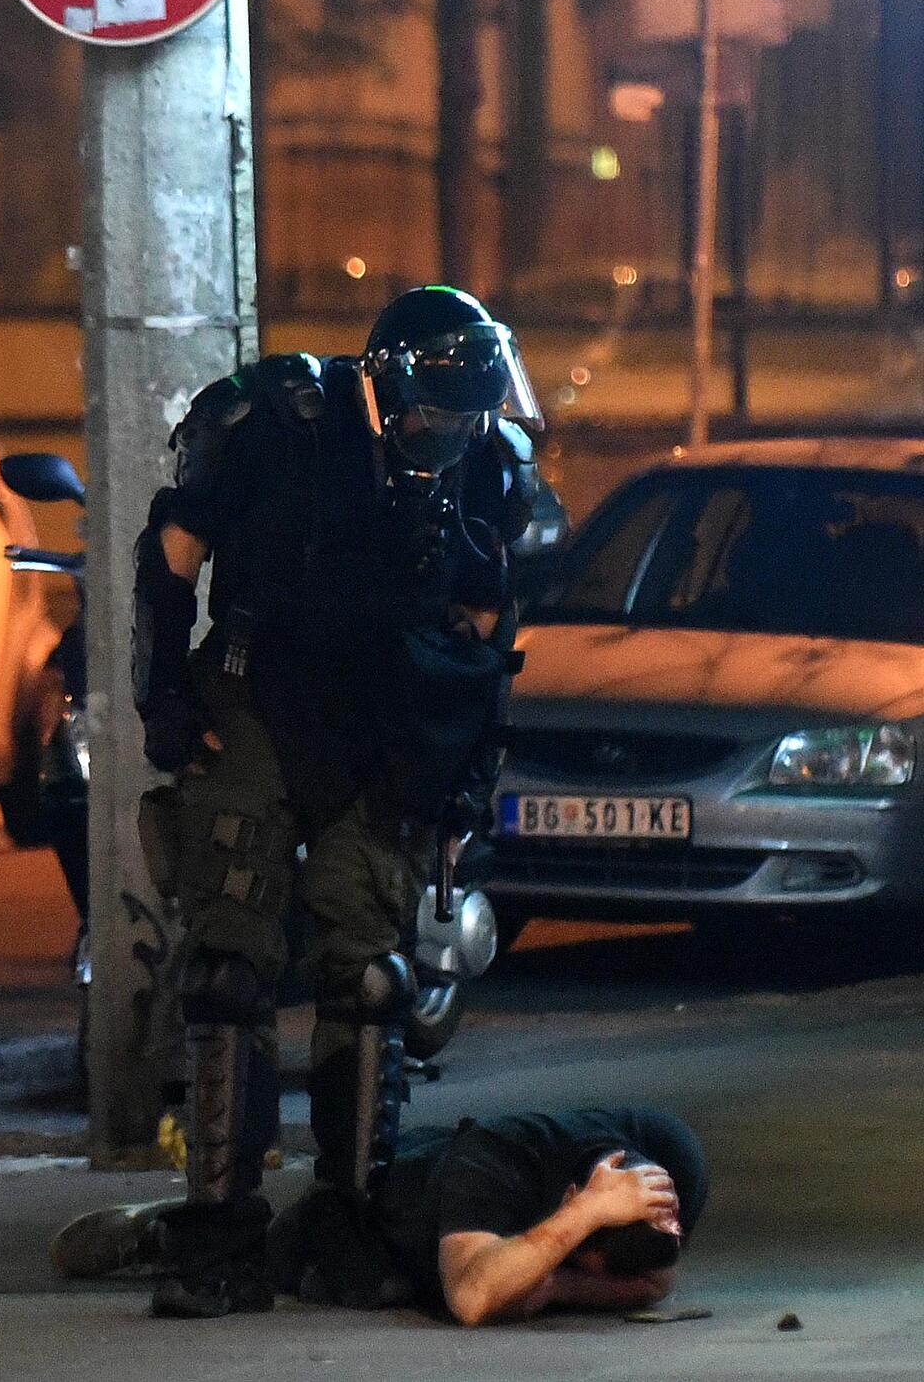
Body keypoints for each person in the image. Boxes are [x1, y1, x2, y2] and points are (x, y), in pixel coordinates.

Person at [130, 285, 544, 1316]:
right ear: (384, 384)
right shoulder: (274, 422)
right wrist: (167, 702)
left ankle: (346, 1225)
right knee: (230, 968)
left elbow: (484, 631)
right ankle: (218, 1235)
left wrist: (466, 768)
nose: (439, 437)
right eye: (427, 418)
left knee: (370, 980)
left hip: (385, 716)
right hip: (260, 692)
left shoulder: (487, 462)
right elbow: (170, 559)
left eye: (460, 420)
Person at [50, 1102, 707, 1327]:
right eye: (580, 1243)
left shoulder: (669, 1157)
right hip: (381, 1215)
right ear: (575, 1196)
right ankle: (164, 1232)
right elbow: (475, 1298)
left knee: (392, 1289)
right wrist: (585, 1218)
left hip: (492, 1242)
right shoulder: (496, 1161)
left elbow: (653, 1279)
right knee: (283, 1259)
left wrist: (556, 1282)